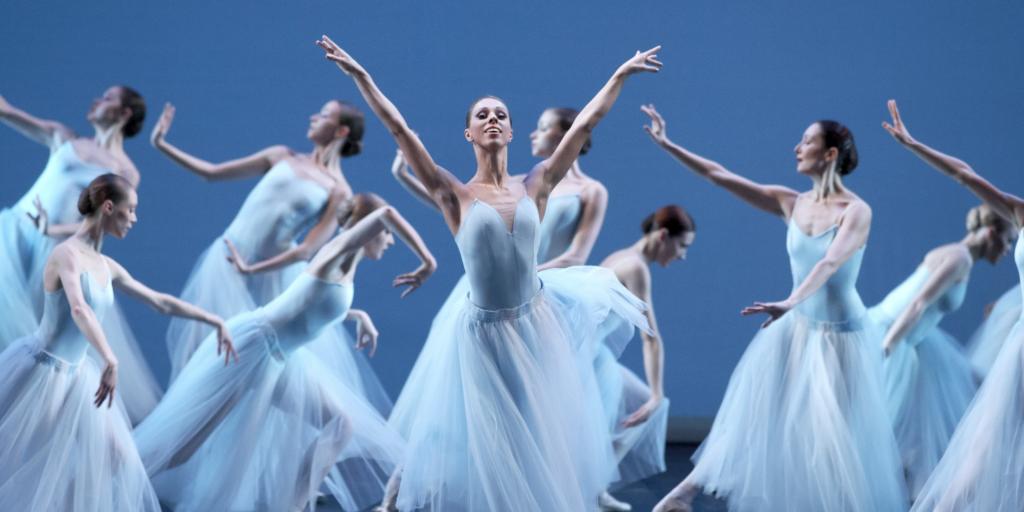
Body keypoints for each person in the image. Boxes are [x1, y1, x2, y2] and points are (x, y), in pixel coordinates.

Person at [316, 34, 658, 510]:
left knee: (535, 435)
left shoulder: (536, 184)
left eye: (501, 115)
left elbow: (585, 123)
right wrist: (361, 77)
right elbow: (399, 129)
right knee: (472, 436)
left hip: (536, 323)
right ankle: (397, 500)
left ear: (512, 133)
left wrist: (619, 75)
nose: (493, 119)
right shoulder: (453, 193)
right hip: (483, 331)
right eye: (483, 115)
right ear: (469, 134)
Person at [643, 103, 907, 511]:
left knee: (829, 436)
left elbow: (831, 261)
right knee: (753, 415)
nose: (796, 148)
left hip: (841, 335)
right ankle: (683, 494)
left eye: (806, 141)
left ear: (830, 154)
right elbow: (720, 176)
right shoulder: (791, 202)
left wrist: (791, 300)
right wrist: (667, 144)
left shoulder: (856, 211)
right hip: (796, 324)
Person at [134, 193, 432, 512]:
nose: (390, 241)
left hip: (280, 357)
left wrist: (358, 315)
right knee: (186, 445)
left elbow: (309, 303)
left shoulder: (346, 266)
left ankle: (292, 505)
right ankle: (123, 477)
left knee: (340, 424)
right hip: (253, 347)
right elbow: (386, 212)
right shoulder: (335, 251)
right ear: (369, 229)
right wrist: (427, 261)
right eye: (386, 234)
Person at [0, 174, 233, 511]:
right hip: (43, 373)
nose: (135, 219)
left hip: (77, 379)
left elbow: (159, 300)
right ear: (109, 207)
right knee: (25, 461)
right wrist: (111, 358)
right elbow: (79, 308)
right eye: (131, 210)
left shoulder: (106, 266)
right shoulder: (67, 254)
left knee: (120, 460)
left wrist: (214, 320)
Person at [879, 99, 1024, 512]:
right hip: (1022, 346)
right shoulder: (1020, 212)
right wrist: (913, 144)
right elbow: (965, 175)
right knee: (987, 441)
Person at [0, 87, 161, 424]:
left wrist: (50, 229)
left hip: (52, 257)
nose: (96, 100)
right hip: (12, 240)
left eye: (107, 97)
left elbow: (96, 227)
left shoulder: (125, 174)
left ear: (125, 112)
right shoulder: (65, 138)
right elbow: (7, 110)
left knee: (38, 345)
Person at [869, 203, 1012, 498]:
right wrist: (886, 347)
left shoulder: (958, 257)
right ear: (989, 232)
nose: (1008, 249)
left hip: (911, 340)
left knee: (911, 439)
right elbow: (918, 303)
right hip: (894, 335)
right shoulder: (959, 258)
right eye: (1007, 239)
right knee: (884, 435)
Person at [597, 205, 695, 499]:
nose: (682, 256)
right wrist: (656, 394)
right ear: (663, 235)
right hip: (585, 359)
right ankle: (589, 489)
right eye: (682, 246)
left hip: (590, 355)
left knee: (627, 418)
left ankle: (595, 489)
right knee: (650, 406)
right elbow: (650, 337)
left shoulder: (620, 256)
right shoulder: (635, 266)